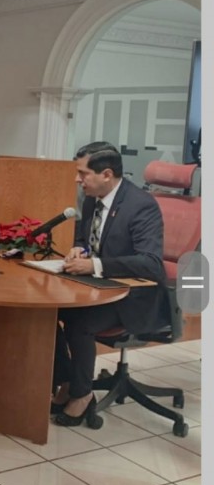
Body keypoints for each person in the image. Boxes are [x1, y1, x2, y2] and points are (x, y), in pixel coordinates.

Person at [51, 141, 170, 427]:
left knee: (80, 322)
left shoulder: (141, 205)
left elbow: (151, 263)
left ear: (106, 175)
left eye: (83, 173)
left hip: (135, 296)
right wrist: (79, 249)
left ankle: (82, 395)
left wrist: (96, 265)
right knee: (47, 312)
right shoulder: (92, 198)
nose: (77, 179)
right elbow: (85, 238)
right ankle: (67, 380)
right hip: (99, 288)